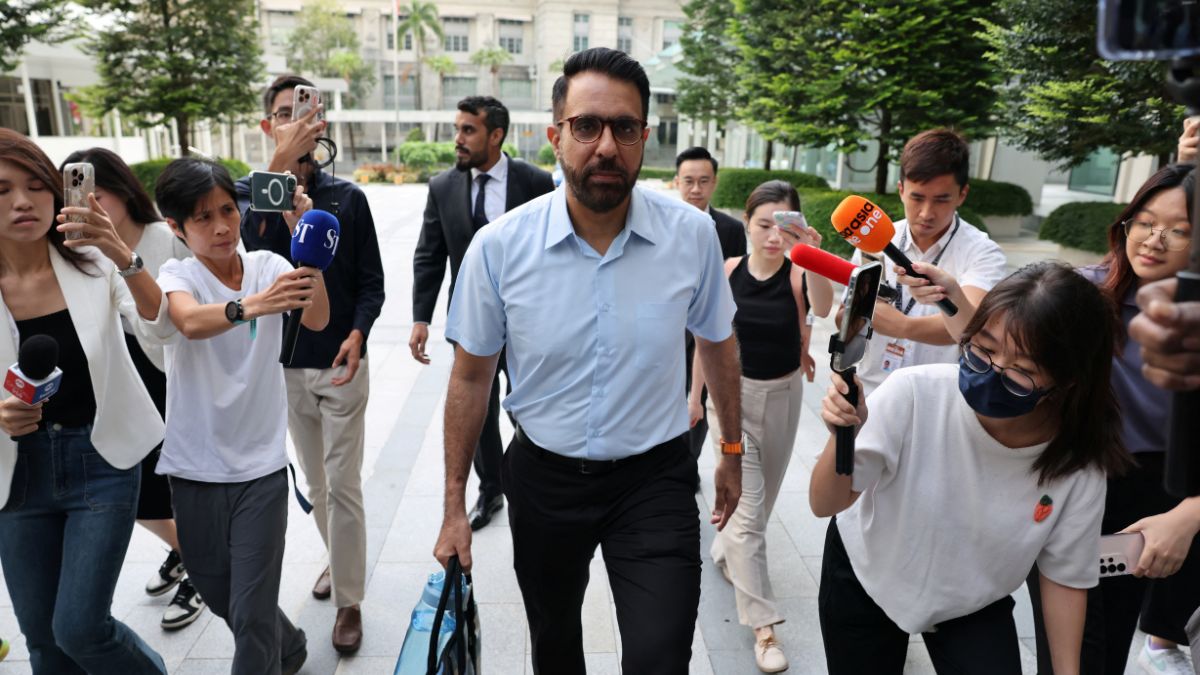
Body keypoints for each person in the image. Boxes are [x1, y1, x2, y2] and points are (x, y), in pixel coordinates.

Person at [432, 47, 744, 675]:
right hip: (544, 478)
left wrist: (732, 452)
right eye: (586, 126)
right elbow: (470, 378)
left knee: (660, 656)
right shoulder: (500, 249)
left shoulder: (691, 236)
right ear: (555, 136)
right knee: (554, 647)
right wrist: (452, 507)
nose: (606, 145)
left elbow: (717, 342)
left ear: (644, 137)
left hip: (654, 479)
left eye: (624, 127)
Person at [902, 165, 1200, 674]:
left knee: (1117, 631)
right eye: (1144, 221)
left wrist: (1189, 515)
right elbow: (996, 349)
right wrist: (952, 295)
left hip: (1171, 490)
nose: (1154, 240)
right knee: (1080, 646)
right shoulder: (1083, 296)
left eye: (1179, 230)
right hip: (1080, 474)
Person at [812, 261, 1129, 675]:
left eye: (1022, 371)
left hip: (972, 600)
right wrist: (842, 434)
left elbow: (1066, 575)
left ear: (1069, 381)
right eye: (983, 348)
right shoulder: (913, 393)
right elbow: (825, 503)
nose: (992, 372)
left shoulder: (1076, 464)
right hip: (865, 572)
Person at [0, 128, 173, 673]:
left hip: (100, 460)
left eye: (35, 185)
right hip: (15, 475)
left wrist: (121, 252)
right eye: (1, 190)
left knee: (79, 627)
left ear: (57, 193)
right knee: (43, 643)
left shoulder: (94, 265)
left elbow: (161, 333)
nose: (22, 201)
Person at [155, 157, 326, 675]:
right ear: (176, 228)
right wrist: (247, 307)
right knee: (217, 589)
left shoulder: (270, 266)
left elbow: (317, 319)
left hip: (261, 470)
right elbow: (186, 321)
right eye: (203, 218)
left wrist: (307, 244)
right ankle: (290, 646)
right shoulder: (176, 273)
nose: (222, 226)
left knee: (250, 616)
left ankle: (274, 656)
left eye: (228, 209)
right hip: (194, 466)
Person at [237, 73, 385, 652]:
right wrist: (278, 163)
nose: (295, 121)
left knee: (344, 485)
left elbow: (371, 283)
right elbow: (245, 252)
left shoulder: (348, 198)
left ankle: (349, 599)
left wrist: (359, 332)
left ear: (320, 121)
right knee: (319, 486)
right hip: (282, 368)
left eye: (304, 113)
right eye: (282, 114)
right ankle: (339, 557)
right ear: (267, 125)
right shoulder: (248, 194)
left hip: (341, 364)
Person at [688, 180, 831, 673]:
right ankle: (765, 630)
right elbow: (708, 341)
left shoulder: (797, 274)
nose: (774, 235)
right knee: (747, 509)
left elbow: (825, 306)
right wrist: (694, 397)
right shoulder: (727, 272)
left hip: (784, 395)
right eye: (765, 224)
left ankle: (730, 550)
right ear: (746, 223)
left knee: (760, 504)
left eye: (785, 225)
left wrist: (810, 255)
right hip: (731, 402)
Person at [60, 147, 206, 632]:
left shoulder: (166, 238)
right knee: (136, 492)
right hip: (120, 383)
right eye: (81, 196)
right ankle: (189, 552)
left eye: (98, 195)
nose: (91, 206)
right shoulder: (76, 250)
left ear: (123, 192)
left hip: (175, 375)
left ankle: (201, 569)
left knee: (175, 486)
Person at [410, 95, 554, 531]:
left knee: (531, 404)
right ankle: (491, 489)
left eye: (468, 130)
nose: (458, 139)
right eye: (457, 129)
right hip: (472, 321)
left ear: (496, 135)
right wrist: (421, 317)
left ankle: (538, 479)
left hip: (530, 321)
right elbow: (429, 255)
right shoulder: (442, 187)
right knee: (479, 408)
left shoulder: (535, 181)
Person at [851, 128, 1007, 396]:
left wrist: (902, 326)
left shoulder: (982, 252)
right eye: (917, 197)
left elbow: (972, 325)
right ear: (901, 190)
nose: (926, 213)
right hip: (870, 390)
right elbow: (848, 314)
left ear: (962, 194)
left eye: (941, 200)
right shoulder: (873, 237)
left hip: (937, 399)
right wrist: (853, 316)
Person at [675, 146, 750, 468]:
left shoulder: (731, 230)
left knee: (700, 398)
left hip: (708, 327)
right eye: (688, 181)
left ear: (714, 183)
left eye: (703, 181)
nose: (696, 189)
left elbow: (733, 287)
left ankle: (687, 464)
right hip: (668, 325)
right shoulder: (661, 223)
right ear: (676, 182)